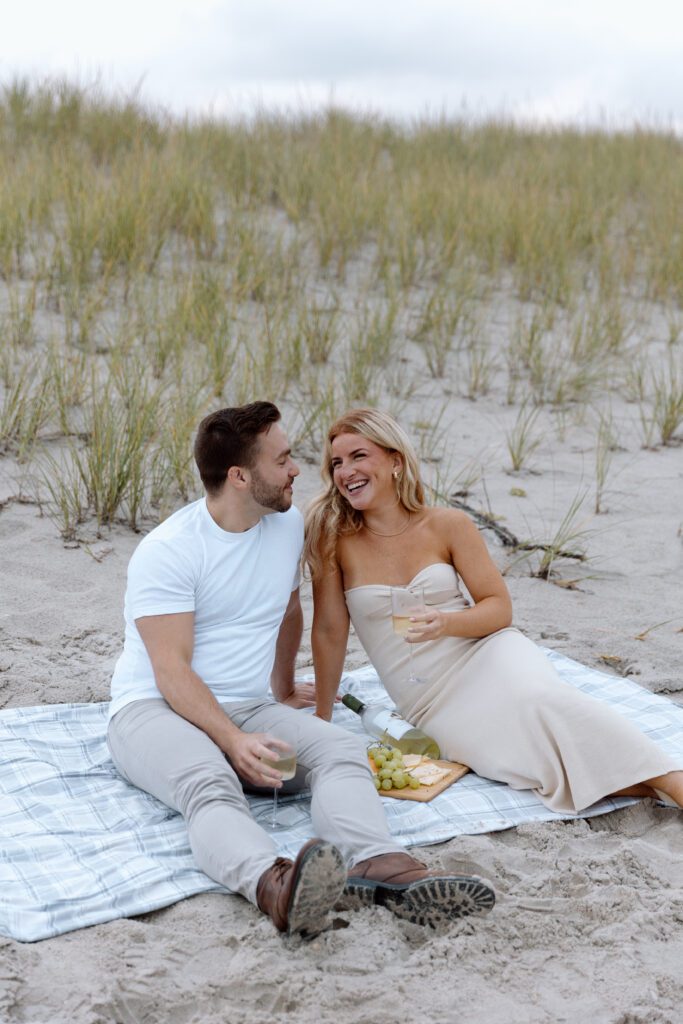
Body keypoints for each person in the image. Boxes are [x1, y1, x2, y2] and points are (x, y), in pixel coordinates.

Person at [107, 401, 496, 939]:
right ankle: (276, 885)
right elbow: (170, 671)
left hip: (248, 706)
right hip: (153, 711)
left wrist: (284, 687)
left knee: (338, 750)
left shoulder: (286, 524)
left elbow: (289, 608)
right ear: (240, 477)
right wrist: (232, 739)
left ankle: (380, 866)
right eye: (283, 459)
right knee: (211, 784)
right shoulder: (169, 551)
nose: (297, 470)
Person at [305, 407, 683, 813]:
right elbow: (328, 631)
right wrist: (321, 722)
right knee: (514, 762)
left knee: (541, 701)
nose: (346, 472)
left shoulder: (447, 525)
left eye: (358, 456)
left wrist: (445, 622)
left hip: (488, 653)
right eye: (337, 463)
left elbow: (499, 609)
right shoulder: (334, 540)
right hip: (429, 700)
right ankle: (651, 785)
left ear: (395, 461)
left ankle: (671, 783)